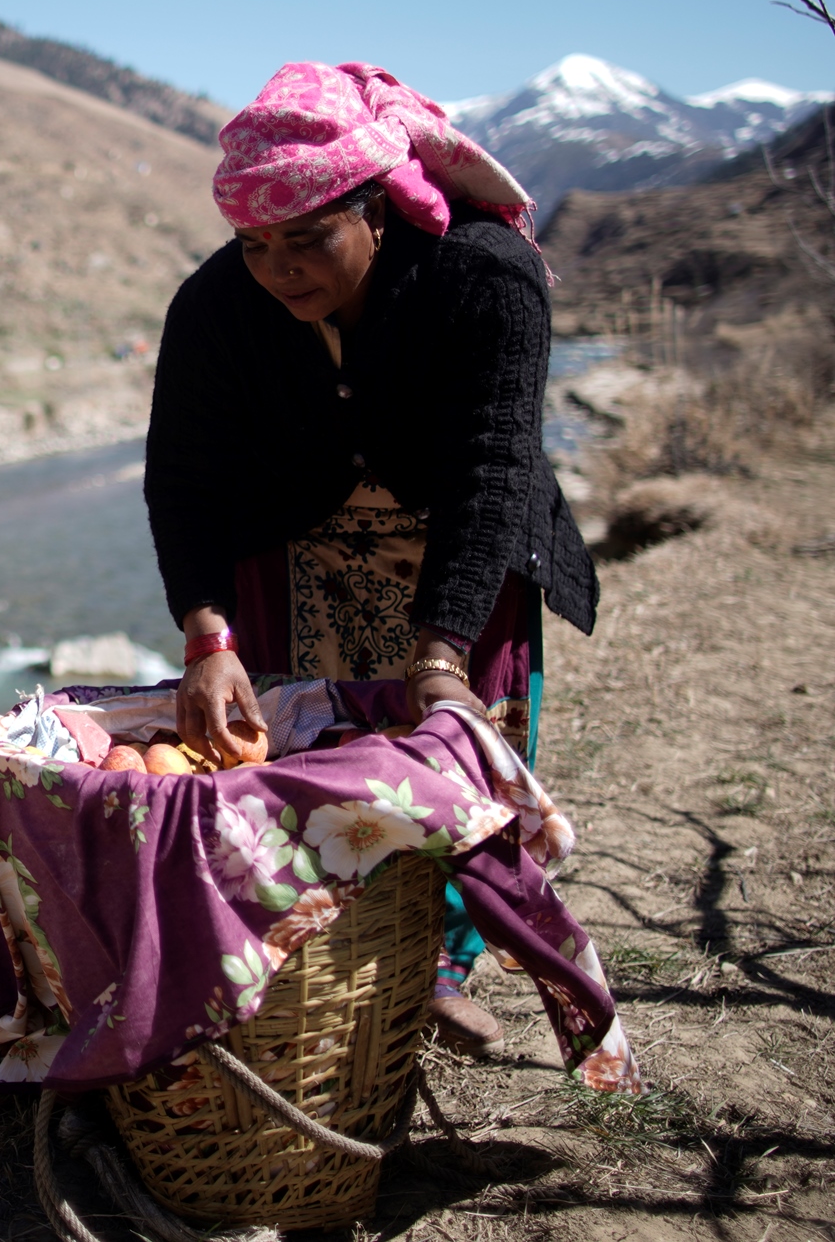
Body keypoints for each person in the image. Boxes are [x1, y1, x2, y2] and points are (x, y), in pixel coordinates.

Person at [143, 62, 598, 1050]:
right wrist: (208, 637)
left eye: (308, 239)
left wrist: (442, 652)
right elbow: (184, 478)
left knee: (456, 762)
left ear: (377, 212)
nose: (278, 270)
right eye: (254, 245)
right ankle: (325, 961)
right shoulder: (215, 305)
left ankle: (438, 967)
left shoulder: (485, 274)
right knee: (316, 768)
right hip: (298, 548)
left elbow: (491, 467)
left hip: (460, 553)